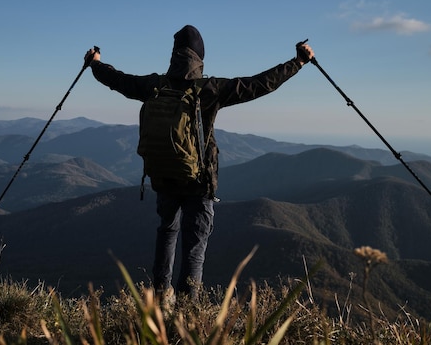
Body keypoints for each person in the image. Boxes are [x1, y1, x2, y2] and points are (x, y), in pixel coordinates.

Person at [84, 25, 314, 299]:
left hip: (163, 176)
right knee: (194, 244)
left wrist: (95, 64)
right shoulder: (211, 89)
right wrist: (298, 62)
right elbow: (259, 84)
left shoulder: (154, 86)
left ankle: (161, 295)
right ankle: (187, 310)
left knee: (167, 232)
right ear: (199, 58)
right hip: (199, 181)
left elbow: (118, 80)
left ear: (174, 55)